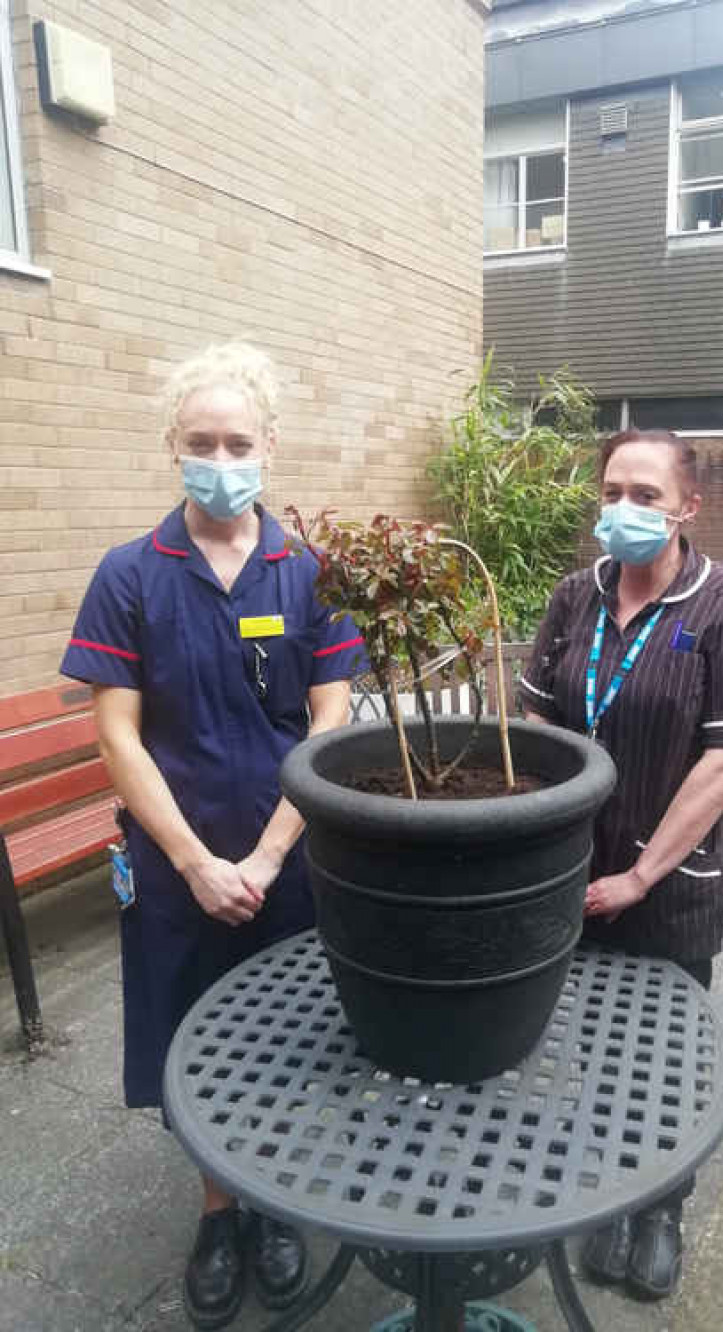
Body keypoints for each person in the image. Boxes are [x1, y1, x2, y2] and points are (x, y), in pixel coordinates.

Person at [61, 343, 366, 1330]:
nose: (221, 458)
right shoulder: (129, 576)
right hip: (172, 860)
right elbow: (116, 731)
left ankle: (274, 1206)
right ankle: (218, 1214)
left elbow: (330, 721)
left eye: (238, 441)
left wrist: (270, 855)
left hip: (288, 855)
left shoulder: (305, 569)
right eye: (202, 441)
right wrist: (194, 862)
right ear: (172, 448)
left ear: (269, 446)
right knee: (191, 1038)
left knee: (283, 1035)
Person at [519, 428, 723, 1303]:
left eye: (646, 497)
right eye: (612, 492)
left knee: (668, 1056)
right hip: (567, 878)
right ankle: (607, 1190)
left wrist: (638, 876)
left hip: (667, 884)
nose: (623, 511)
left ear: (687, 508)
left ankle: (662, 1209)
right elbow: (533, 735)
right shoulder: (573, 598)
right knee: (590, 1040)